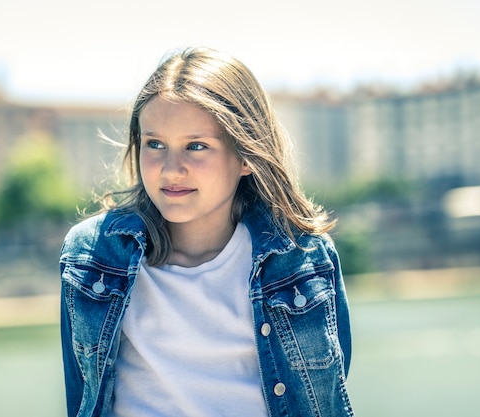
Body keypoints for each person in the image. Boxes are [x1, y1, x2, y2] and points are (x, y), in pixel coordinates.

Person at [60, 46, 354, 417]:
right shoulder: (92, 255)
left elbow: (326, 400)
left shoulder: (302, 260)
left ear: (246, 156)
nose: (170, 169)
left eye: (196, 146)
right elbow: (82, 401)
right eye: (155, 144)